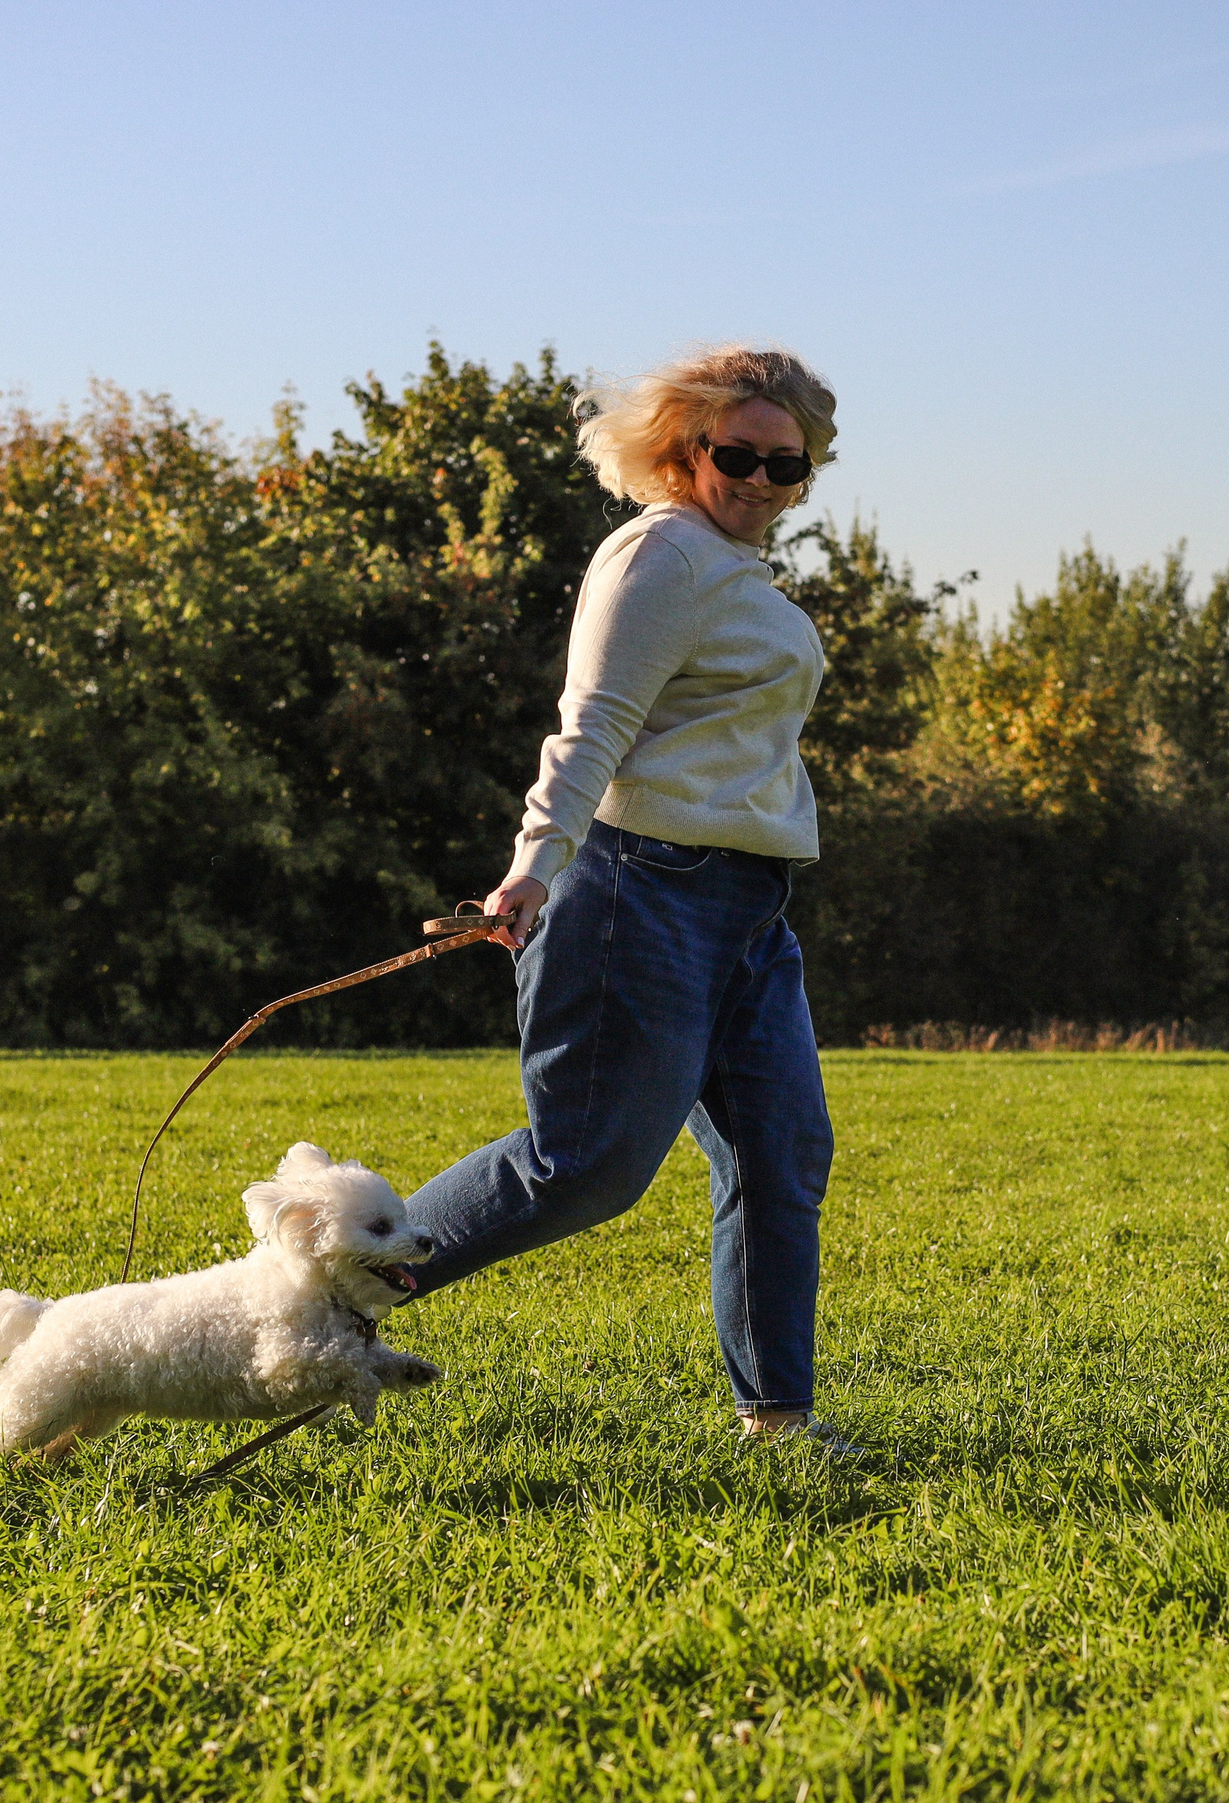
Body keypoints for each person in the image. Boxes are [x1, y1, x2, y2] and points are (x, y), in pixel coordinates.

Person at [401, 344, 841, 1445]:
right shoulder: (658, 557)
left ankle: (778, 1425)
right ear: (684, 449)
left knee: (780, 1158)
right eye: (734, 454)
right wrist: (533, 866)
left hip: (747, 904)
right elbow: (590, 727)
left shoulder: (734, 572)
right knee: (584, 1166)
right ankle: (330, 1297)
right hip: (638, 891)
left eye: (784, 466)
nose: (757, 479)